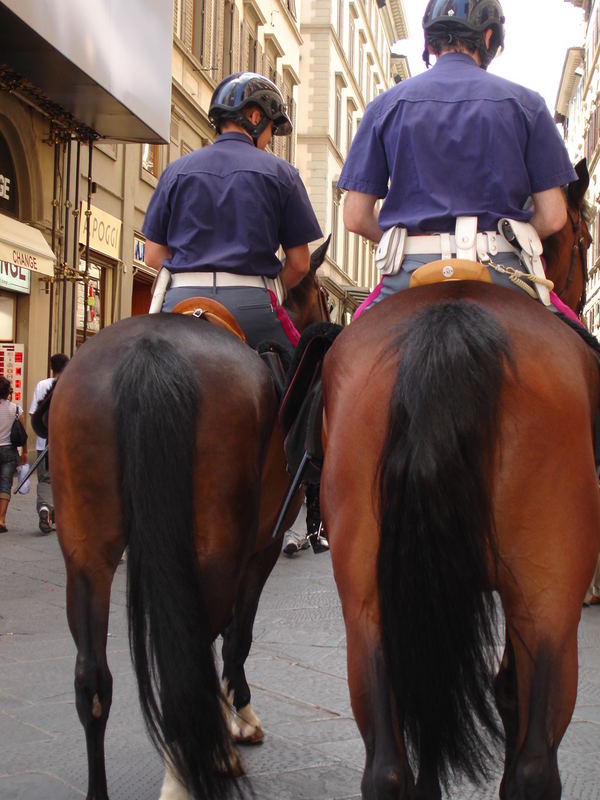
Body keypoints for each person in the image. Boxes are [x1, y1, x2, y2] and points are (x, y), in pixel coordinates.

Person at [338, 0, 577, 314]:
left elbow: (355, 217)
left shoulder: (384, 107)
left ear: (432, 41)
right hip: (501, 267)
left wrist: (404, 244)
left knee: (342, 351)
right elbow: (553, 217)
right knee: (579, 346)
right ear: (488, 37)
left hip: (411, 271)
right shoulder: (527, 104)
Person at [142, 71, 323, 351]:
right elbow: (300, 264)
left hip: (180, 300)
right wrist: (268, 290)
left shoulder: (175, 171)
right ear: (254, 117)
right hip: (251, 305)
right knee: (301, 378)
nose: (269, 138)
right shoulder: (282, 174)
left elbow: (153, 256)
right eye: (271, 129)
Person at [29, 353, 69, 534]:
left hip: (44, 443)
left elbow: (33, 414)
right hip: (67, 444)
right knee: (65, 480)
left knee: (45, 479)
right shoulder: (73, 385)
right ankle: (58, 517)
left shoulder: (42, 385)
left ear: (52, 367)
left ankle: (45, 509)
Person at [0, 377, 27, 532]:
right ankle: (2, 519)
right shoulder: (15, 409)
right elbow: (23, 433)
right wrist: (24, 452)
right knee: (5, 484)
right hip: (9, 451)